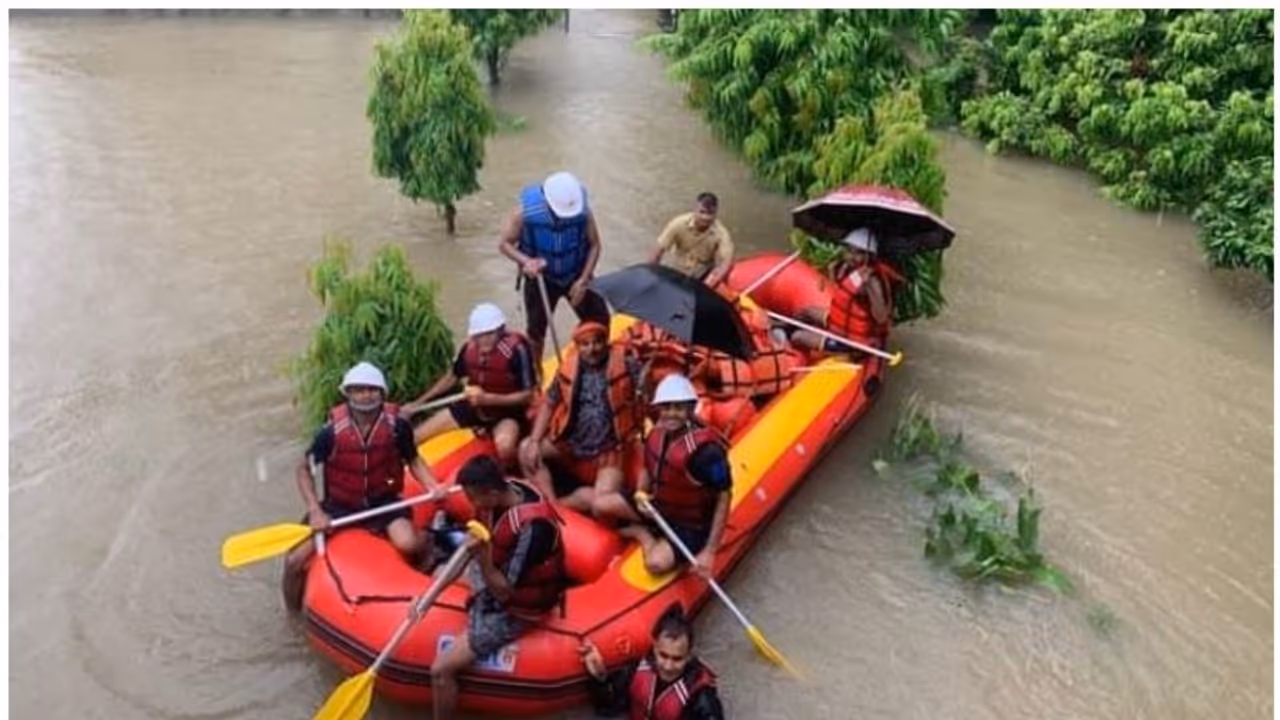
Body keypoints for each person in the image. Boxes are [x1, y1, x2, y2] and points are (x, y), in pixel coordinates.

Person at [281, 362, 441, 612]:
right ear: (348, 394)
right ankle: (293, 615)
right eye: (358, 390)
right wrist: (315, 510)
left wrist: (433, 486)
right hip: (339, 507)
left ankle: (429, 544)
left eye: (371, 390)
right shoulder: (330, 433)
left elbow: (413, 460)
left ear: (382, 393)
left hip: (384, 502)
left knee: (408, 543)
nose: (365, 396)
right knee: (294, 561)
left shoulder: (398, 428)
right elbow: (304, 469)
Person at [430, 455, 566, 720]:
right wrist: (428, 596)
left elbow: (504, 592)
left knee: (440, 670)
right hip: (494, 573)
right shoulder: (503, 493)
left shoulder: (533, 529)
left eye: (473, 499)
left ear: (492, 493)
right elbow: (468, 553)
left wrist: (481, 555)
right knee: (437, 573)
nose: (471, 504)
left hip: (517, 609)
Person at [600, 374, 731, 578]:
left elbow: (724, 496)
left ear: (689, 409)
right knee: (601, 505)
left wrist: (710, 551)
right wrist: (641, 493)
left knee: (655, 564)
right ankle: (649, 528)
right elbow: (647, 467)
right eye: (666, 407)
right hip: (658, 507)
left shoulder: (707, 453)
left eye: (678, 408)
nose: (671, 414)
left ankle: (643, 535)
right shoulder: (657, 433)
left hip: (690, 524)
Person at [519, 320, 643, 514]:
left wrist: (647, 380)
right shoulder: (568, 367)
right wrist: (535, 440)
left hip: (611, 449)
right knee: (526, 448)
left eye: (597, 342)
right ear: (577, 347)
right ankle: (550, 503)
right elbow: (549, 403)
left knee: (601, 502)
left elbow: (648, 394)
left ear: (606, 342)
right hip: (572, 442)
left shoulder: (627, 363)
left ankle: (563, 506)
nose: (591, 349)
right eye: (585, 344)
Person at [499, 171, 611, 364]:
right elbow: (504, 244)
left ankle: (597, 363)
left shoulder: (583, 212)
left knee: (600, 319)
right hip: (541, 278)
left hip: (576, 274)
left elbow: (595, 245)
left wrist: (583, 280)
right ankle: (537, 373)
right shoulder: (524, 214)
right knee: (536, 331)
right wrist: (527, 262)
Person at [407, 303, 536, 468]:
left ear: (501, 331)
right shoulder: (469, 349)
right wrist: (418, 403)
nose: (484, 340)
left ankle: (513, 474)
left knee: (505, 447)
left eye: (490, 334)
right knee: (415, 436)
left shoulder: (517, 350)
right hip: (475, 407)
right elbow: (452, 377)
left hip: (507, 413)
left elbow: (528, 395)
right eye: (479, 335)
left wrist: (489, 400)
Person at [581, 605, 726, 719]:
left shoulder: (702, 697)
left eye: (677, 659)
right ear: (654, 647)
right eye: (663, 655)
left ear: (689, 656)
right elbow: (608, 708)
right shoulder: (637, 670)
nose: (668, 666)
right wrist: (599, 678)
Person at [791, 228, 900, 354]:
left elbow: (880, 318)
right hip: (840, 323)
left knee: (798, 337)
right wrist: (832, 273)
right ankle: (782, 331)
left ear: (868, 256)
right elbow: (838, 294)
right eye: (849, 250)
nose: (851, 256)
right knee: (806, 312)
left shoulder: (872, 280)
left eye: (858, 253)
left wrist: (871, 290)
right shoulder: (845, 267)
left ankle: (796, 354)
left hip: (854, 339)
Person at [650, 192, 735, 287]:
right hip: (678, 270)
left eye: (710, 213)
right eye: (702, 212)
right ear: (694, 210)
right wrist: (651, 274)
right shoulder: (678, 224)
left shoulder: (722, 234)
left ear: (716, 213)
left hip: (702, 276)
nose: (705, 218)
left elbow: (725, 263)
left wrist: (708, 285)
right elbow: (659, 249)